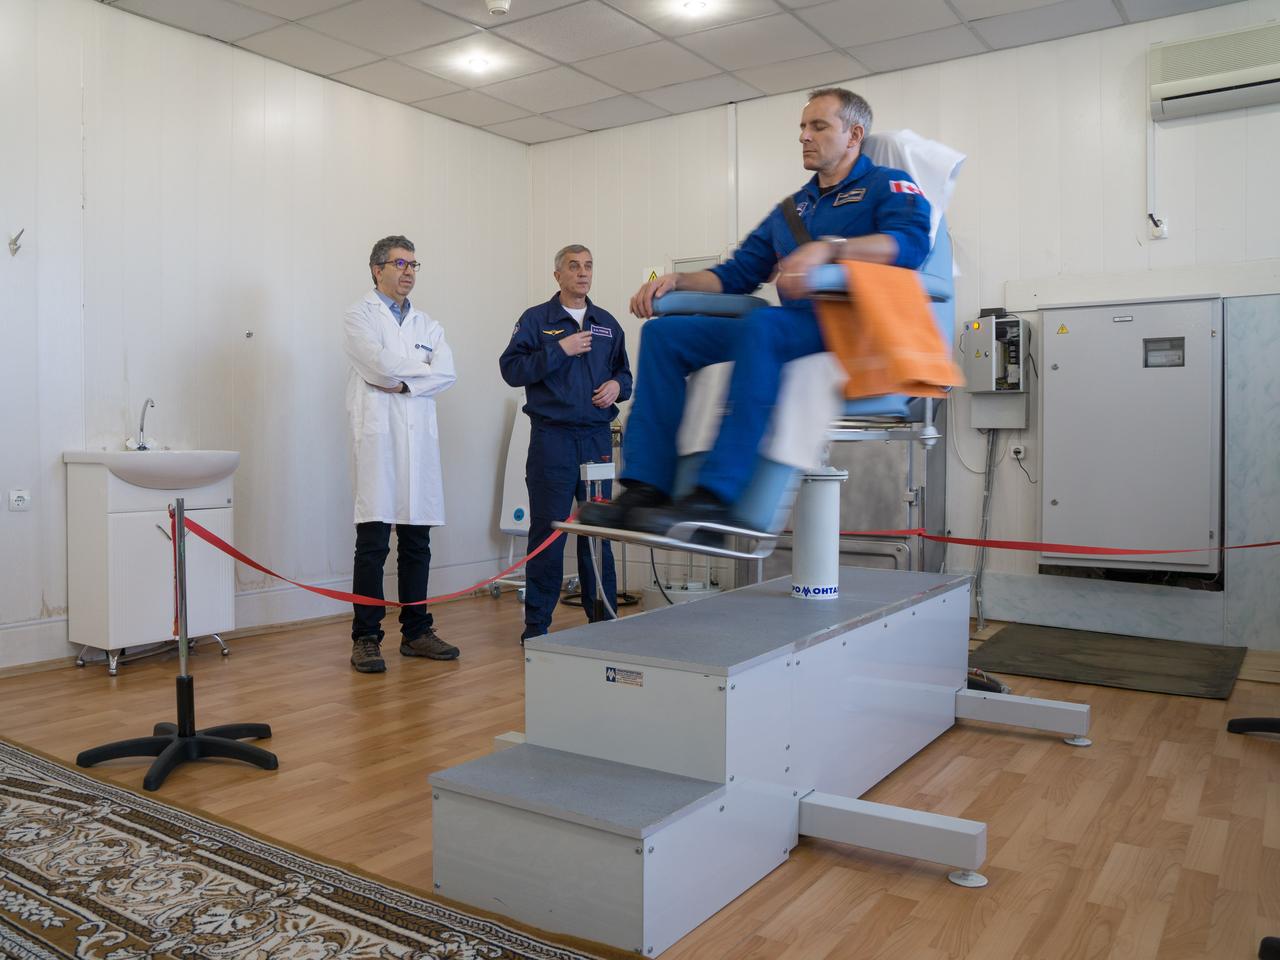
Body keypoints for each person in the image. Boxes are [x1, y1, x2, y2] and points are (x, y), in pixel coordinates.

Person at [578, 88, 932, 536]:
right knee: (665, 337)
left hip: (852, 326)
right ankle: (647, 486)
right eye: (802, 127)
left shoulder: (889, 185)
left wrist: (830, 251)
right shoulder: (792, 209)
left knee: (762, 325)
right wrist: (678, 281)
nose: (804, 136)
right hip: (793, 325)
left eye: (818, 126)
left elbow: (912, 246)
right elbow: (739, 274)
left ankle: (716, 495)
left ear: (854, 134)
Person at [500, 244, 632, 642]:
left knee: (598, 533)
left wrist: (616, 387)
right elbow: (511, 369)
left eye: (588, 266)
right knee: (549, 533)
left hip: (595, 441)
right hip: (552, 441)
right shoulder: (536, 321)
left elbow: (625, 374)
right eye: (574, 266)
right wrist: (560, 349)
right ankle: (536, 628)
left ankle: (602, 624)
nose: (582, 273)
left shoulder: (607, 323)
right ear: (557, 275)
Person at [344, 235, 458, 674]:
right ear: (377, 269)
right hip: (378, 439)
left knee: (417, 541)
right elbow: (375, 364)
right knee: (372, 543)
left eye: (414, 264)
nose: (408, 271)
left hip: (418, 444)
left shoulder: (429, 325)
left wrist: (405, 381)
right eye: (399, 263)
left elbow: (446, 373)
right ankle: (366, 638)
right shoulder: (359, 316)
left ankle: (417, 632)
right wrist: (419, 375)